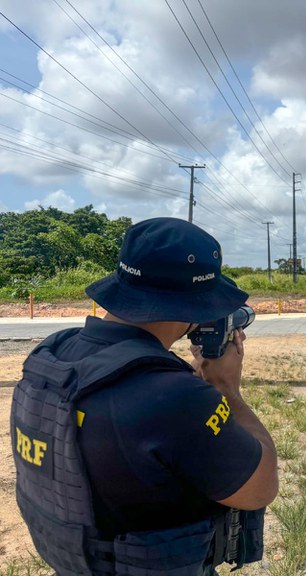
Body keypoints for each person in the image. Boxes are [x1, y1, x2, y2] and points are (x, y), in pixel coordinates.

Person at [11, 217, 278, 575]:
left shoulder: (54, 355)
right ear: (194, 306)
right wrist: (225, 387)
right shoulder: (172, 397)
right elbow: (260, 488)